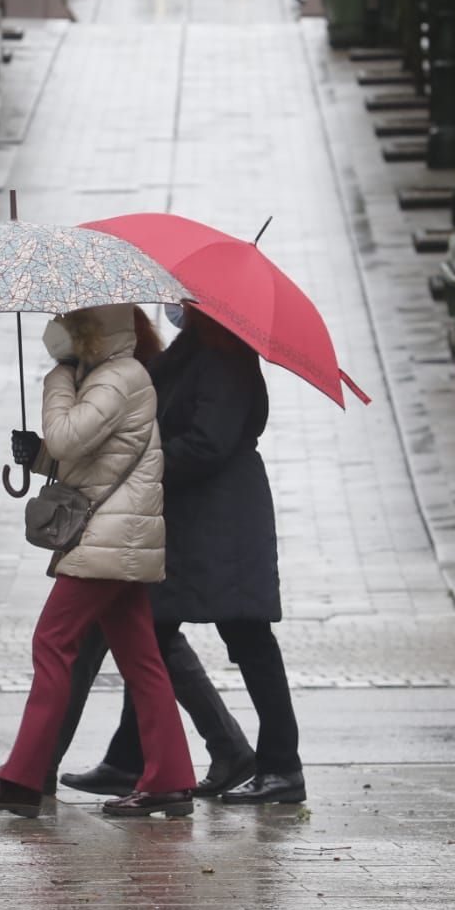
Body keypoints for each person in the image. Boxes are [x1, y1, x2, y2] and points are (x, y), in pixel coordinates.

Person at [0, 307, 256, 798]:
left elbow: (66, 435)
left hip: (108, 538)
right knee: (142, 657)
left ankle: (22, 779)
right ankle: (167, 780)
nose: (56, 326)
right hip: (118, 536)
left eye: (67, 320)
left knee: (52, 643)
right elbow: (91, 458)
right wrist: (36, 455)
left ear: (88, 331)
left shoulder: (116, 379)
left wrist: (57, 381)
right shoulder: (113, 376)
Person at [61, 305, 306, 805]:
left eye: (189, 304)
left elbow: (207, 443)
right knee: (149, 632)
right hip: (197, 520)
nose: (178, 309)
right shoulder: (194, 354)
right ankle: (128, 759)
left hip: (225, 523)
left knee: (249, 640)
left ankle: (282, 767)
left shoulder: (225, 361)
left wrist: (143, 464)